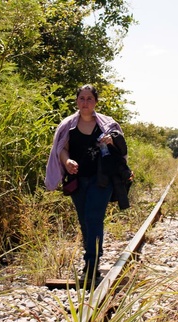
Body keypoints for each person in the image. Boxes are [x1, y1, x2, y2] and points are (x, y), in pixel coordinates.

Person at [45, 84, 129, 282]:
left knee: (93, 218)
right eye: (81, 98)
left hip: (103, 179)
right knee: (84, 221)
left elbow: (122, 152)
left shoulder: (107, 125)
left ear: (96, 102)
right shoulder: (68, 125)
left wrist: (111, 142)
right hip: (77, 180)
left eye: (89, 98)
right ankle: (91, 260)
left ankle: (91, 265)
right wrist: (67, 161)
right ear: (77, 101)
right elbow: (61, 149)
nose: (85, 102)